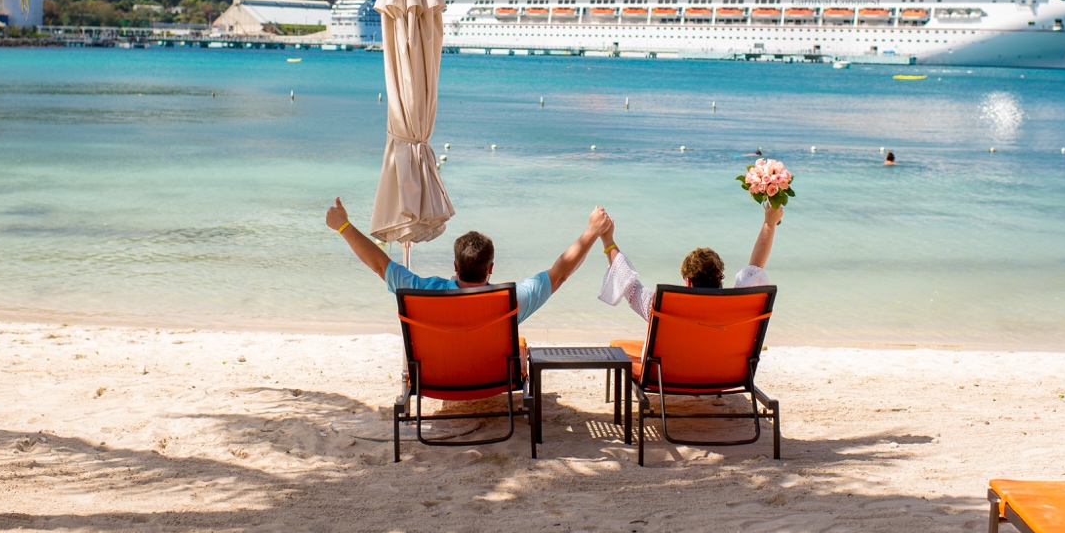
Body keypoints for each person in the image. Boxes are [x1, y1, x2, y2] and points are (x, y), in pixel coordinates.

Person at [324, 198, 610, 322]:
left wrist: (344, 226)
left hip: (439, 378)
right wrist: (593, 231)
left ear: (455, 267)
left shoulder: (425, 292)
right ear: (491, 268)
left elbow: (378, 263)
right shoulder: (510, 299)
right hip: (491, 377)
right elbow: (559, 273)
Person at [597, 204, 784, 321]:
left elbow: (629, 284)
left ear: (687, 281)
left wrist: (608, 240)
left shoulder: (661, 306)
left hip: (669, 380)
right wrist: (769, 223)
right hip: (721, 376)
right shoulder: (736, 306)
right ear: (720, 280)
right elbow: (756, 267)